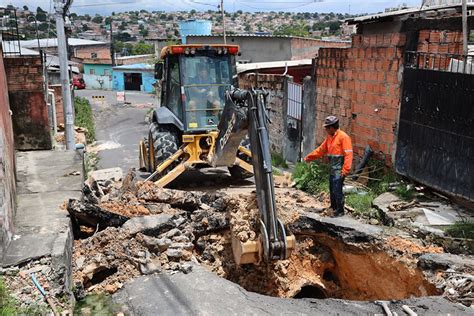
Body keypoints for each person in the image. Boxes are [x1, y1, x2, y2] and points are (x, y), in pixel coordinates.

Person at [304, 116, 353, 217]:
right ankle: (333, 207)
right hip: (332, 169)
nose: (325, 129)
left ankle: (340, 210)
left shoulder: (343, 137)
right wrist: (309, 157)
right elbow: (321, 150)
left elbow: (349, 155)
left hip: (339, 170)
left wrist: (345, 170)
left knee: (337, 190)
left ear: (332, 127)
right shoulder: (329, 138)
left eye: (327, 127)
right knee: (332, 189)